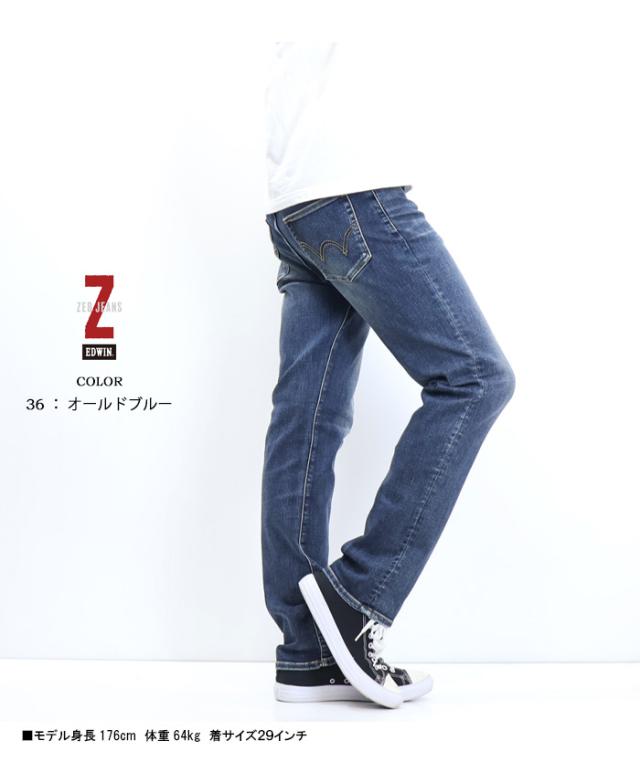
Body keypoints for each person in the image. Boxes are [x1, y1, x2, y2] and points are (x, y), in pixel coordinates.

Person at [260, 42, 516, 709]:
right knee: (476, 378)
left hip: (296, 197)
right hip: (355, 189)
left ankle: (309, 653)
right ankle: (360, 594)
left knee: (306, 420)